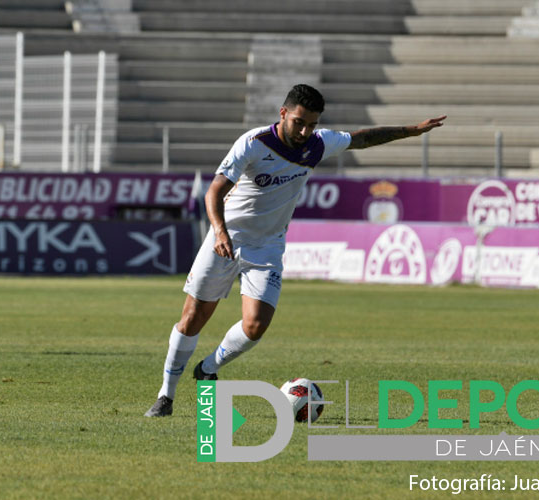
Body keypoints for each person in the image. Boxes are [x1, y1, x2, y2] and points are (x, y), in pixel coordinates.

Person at [147, 84, 445, 417]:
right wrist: (219, 232)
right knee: (193, 319)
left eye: (312, 124)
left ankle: (207, 369)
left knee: (256, 325)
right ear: (283, 113)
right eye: (299, 122)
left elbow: (362, 138)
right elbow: (213, 192)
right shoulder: (253, 143)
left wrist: (412, 131)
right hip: (227, 238)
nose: (305, 131)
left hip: (268, 246)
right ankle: (165, 397)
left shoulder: (318, 144)